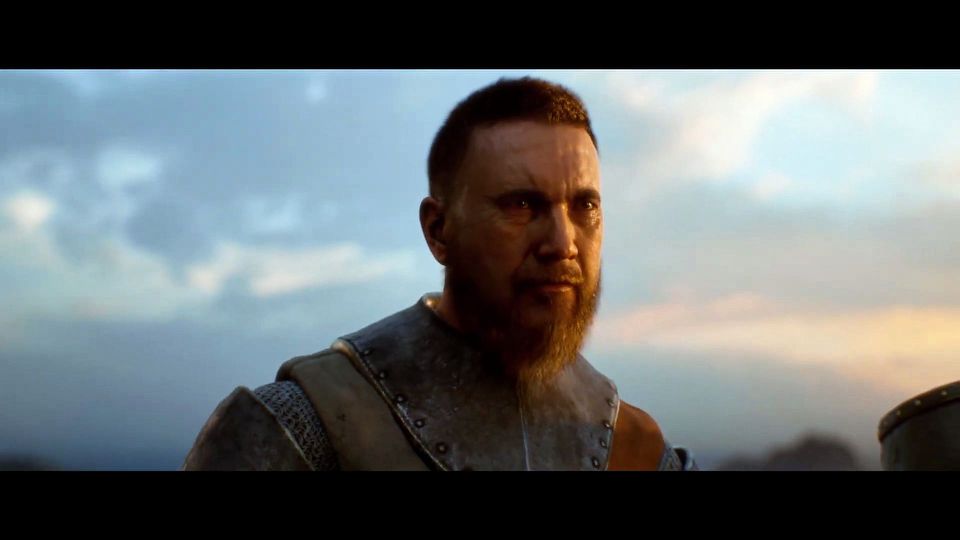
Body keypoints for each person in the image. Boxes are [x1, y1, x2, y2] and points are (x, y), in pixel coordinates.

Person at [182, 76, 697, 471]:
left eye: (584, 206)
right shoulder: (308, 425)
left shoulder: (635, 449)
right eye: (522, 204)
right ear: (438, 229)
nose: (563, 243)